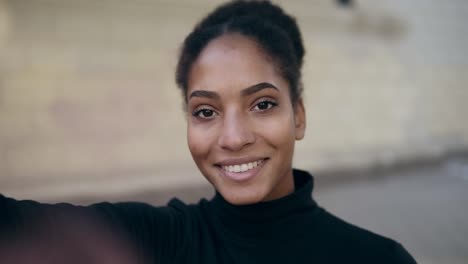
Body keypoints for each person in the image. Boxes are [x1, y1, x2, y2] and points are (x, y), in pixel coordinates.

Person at [0, 1, 416, 263]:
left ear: (300, 117)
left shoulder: (378, 257)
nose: (233, 137)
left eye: (263, 104)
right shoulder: (159, 241)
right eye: (205, 111)